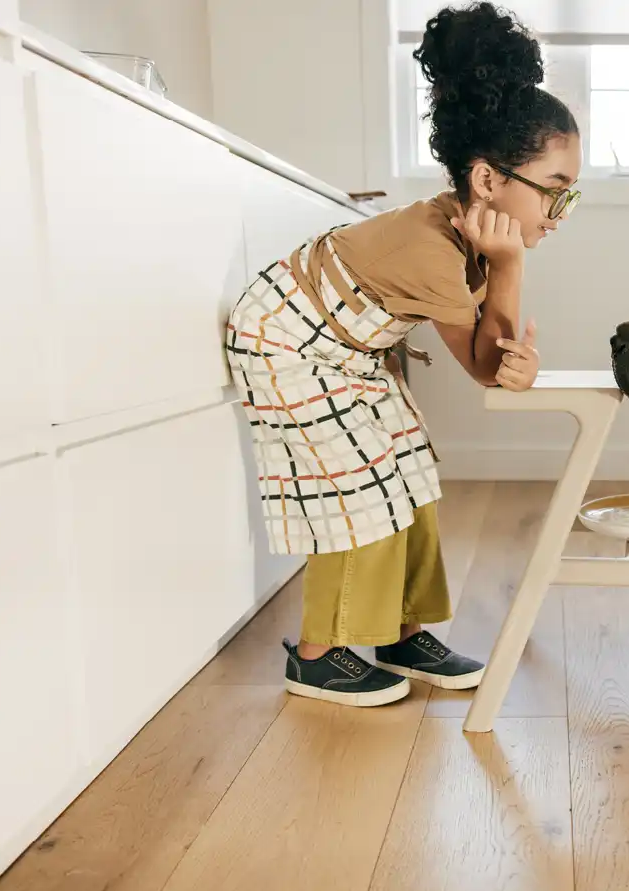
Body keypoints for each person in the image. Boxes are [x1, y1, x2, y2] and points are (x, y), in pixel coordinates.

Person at [225, 1, 582, 707]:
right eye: (555, 194)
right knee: (359, 488)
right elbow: (483, 362)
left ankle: (398, 629)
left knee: (409, 471)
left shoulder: (462, 239)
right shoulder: (432, 248)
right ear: (487, 182)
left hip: (344, 348)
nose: (557, 215)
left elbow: (494, 357)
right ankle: (318, 655)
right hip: (288, 339)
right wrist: (509, 270)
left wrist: (518, 357)